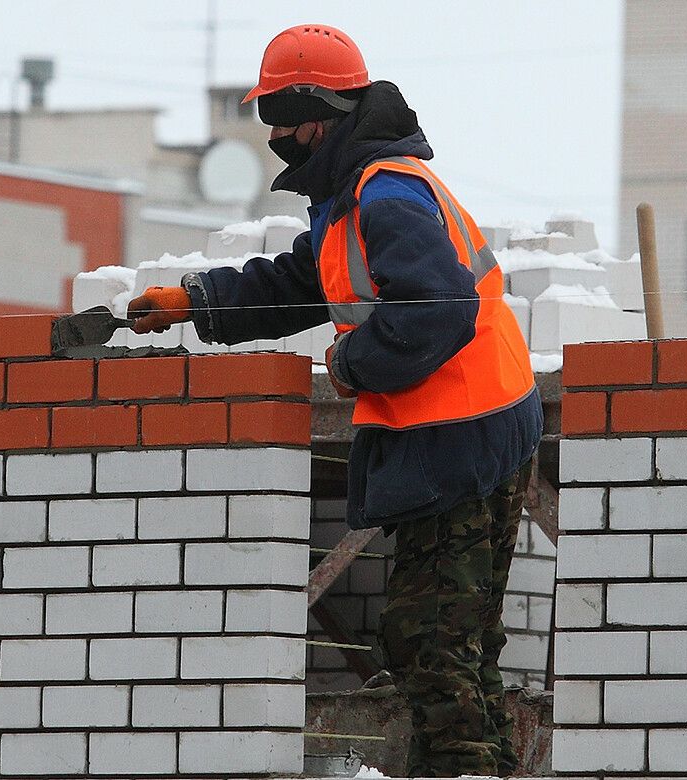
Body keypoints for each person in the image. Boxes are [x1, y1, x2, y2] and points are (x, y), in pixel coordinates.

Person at [127, 23, 543, 779]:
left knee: (427, 635)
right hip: (468, 425)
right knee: (458, 639)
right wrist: (194, 301)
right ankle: (482, 768)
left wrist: (355, 361)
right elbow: (298, 284)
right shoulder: (351, 195)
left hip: (467, 429)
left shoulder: (385, 193)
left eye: (283, 117)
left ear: (323, 110)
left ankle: (468, 769)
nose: (277, 135)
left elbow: (440, 308)